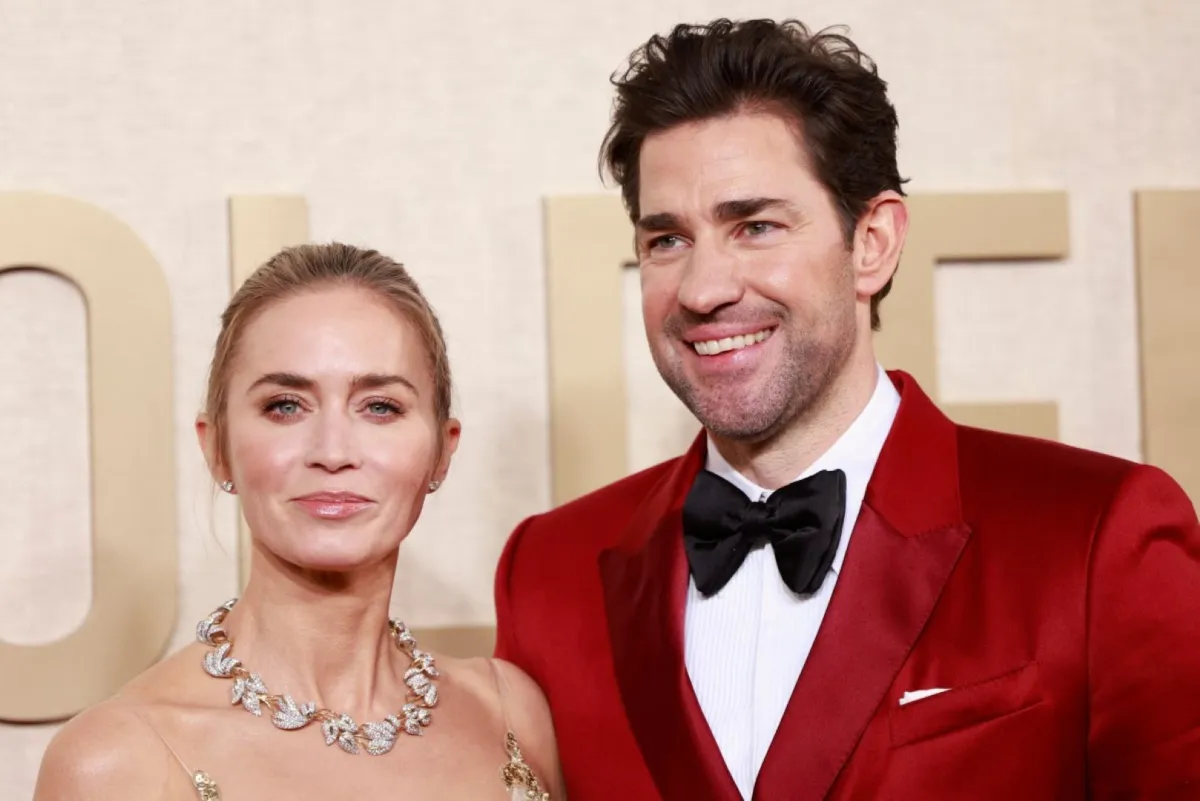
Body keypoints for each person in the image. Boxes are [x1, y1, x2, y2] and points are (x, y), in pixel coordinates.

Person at [494, 18, 1200, 801]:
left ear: (873, 243)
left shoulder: (1097, 536)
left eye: (755, 226)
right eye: (667, 240)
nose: (703, 289)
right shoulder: (548, 574)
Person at [34, 243, 561, 800]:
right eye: (285, 405)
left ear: (442, 452)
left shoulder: (510, 712)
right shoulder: (118, 761)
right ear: (217, 449)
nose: (333, 452)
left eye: (380, 407)